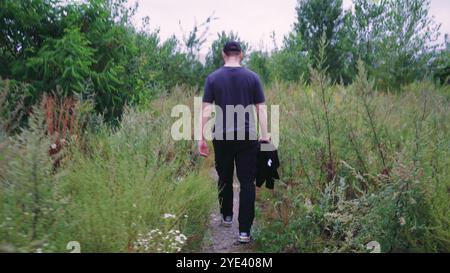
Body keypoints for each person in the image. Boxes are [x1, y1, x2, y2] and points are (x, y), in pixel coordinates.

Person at [198, 41, 269, 244]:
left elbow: (206, 110)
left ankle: (227, 216)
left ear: (223, 54)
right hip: (247, 137)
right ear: (242, 54)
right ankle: (244, 232)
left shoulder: (213, 78)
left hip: (221, 137)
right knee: (247, 183)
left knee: (224, 177)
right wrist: (265, 136)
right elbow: (261, 109)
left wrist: (200, 137)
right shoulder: (253, 77)